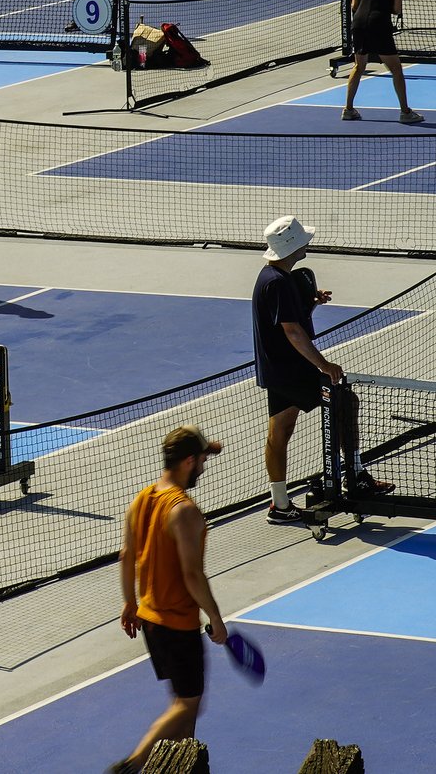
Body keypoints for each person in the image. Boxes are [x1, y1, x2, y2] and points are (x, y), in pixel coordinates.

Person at [251, 215, 391, 524]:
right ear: (294, 246)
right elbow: (293, 332)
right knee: (345, 402)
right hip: (291, 370)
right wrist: (323, 365)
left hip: (277, 370)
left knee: (280, 431)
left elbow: (290, 321)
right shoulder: (277, 282)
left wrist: (312, 304)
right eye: (304, 240)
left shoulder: (275, 278)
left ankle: (280, 505)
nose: (308, 244)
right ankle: (353, 475)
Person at [111, 425, 228, 774]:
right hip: (177, 623)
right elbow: (193, 574)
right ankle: (130, 767)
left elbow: (126, 555)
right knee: (187, 704)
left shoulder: (141, 499)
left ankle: (184, 767)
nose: (205, 467)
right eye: (203, 460)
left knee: (185, 707)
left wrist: (130, 603)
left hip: (149, 620)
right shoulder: (184, 511)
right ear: (189, 461)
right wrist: (216, 618)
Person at [341, 0, 424, 124]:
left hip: (359, 24)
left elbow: (354, 5)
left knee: (359, 66)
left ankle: (348, 109)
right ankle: (405, 112)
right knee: (396, 69)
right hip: (378, 25)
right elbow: (396, 9)